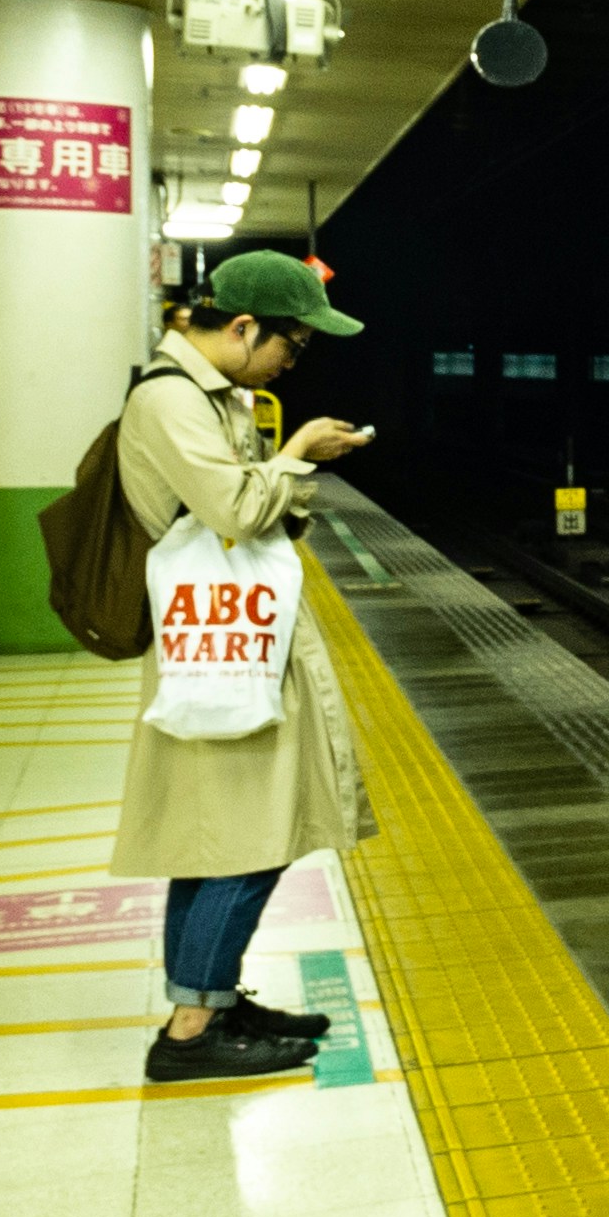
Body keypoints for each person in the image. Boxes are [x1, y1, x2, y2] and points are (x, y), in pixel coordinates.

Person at [106, 248, 377, 1083]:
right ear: (244, 327)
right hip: (217, 648)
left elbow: (256, 512)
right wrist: (295, 450)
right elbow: (234, 509)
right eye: (290, 345)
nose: (291, 361)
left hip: (227, 639)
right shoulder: (170, 401)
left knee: (214, 834)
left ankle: (209, 999)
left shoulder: (208, 398)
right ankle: (190, 1034)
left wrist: (281, 468)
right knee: (246, 838)